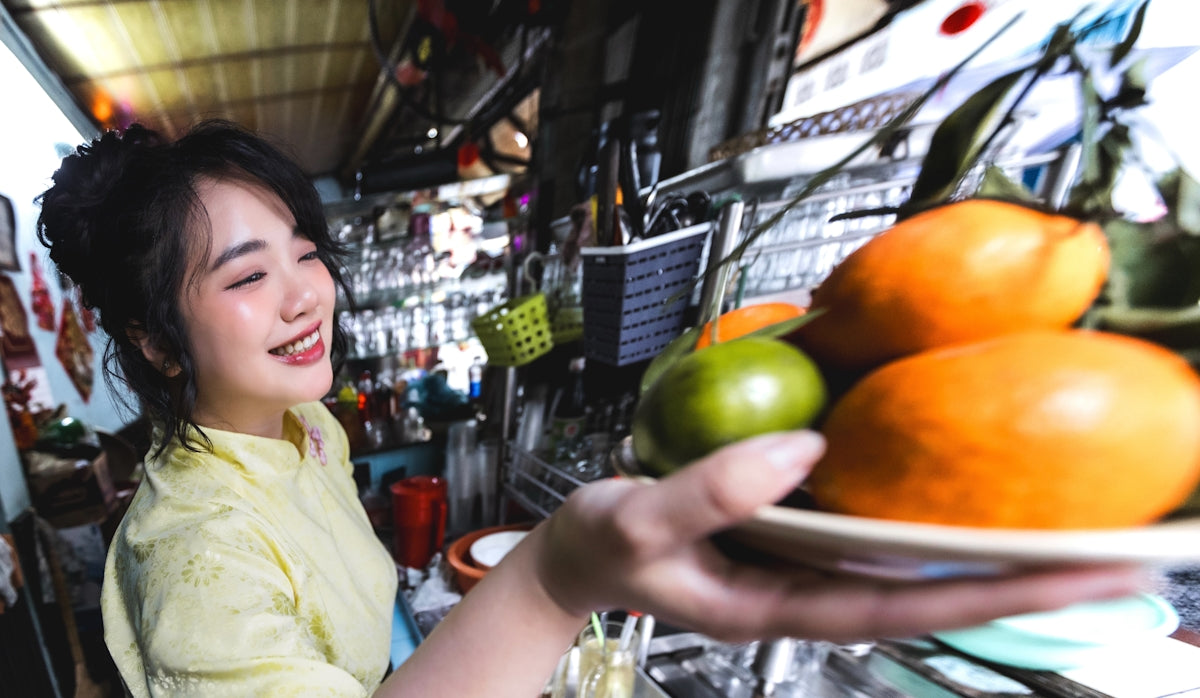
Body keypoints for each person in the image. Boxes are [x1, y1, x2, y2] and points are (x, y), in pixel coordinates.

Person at [36, 120, 1143, 697]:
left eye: (306, 251)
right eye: (243, 275)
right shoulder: (191, 550)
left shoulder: (304, 428)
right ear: (150, 337)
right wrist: (559, 571)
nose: (305, 292)